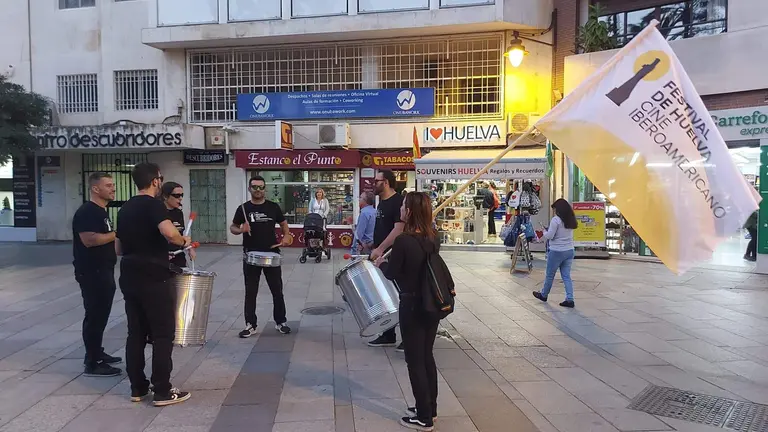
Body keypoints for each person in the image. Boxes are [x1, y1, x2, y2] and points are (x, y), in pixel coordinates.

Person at [116, 162, 192, 407]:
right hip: (153, 275)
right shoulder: (154, 206)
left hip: (129, 273)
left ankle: (137, 388)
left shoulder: (125, 208)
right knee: (162, 334)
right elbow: (170, 233)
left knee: (135, 333)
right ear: (156, 181)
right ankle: (162, 390)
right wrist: (183, 240)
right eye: (161, 179)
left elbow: (118, 247)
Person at [377, 192, 439, 431]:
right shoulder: (433, 237)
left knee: (415, 361)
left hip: (411, 305)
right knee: (427, 356)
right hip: (431, 304)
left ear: (409, 211)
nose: (401, 209)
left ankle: (423, 418)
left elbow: (393, 273)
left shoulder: (403, 241)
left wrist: (381, 263)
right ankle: (429, 407)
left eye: (403, 206)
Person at [72, 172, 122, 377]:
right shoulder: (87, 212)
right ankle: (92, 362)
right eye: (108, 185)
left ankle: (96, 352)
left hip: (105, 269)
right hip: (92, 271)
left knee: (101, 315)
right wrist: (118, 233)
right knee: (94, 316)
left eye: (113, 185)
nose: (113, 188)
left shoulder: (101, 211)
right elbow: (90, 240)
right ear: (95, 189)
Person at [231, 175, 293, 338]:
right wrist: (241, 230)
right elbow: (233, 227)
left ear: (265, 189)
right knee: (251, 291)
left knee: (277, 290)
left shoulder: (273, 207)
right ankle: (250, 324)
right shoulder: (243, 209)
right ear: (250, 189)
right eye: (254, 187)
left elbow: (284, 225)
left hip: (271, 253)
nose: (258, 190)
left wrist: (286, 236)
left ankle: (281, 321)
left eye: (261, 187)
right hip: (250, 255)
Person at [368, 170, 405, 350]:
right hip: (381, 255)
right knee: (385, 296)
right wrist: (372, 244)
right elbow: (384, 227)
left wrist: (381, 248)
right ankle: (388, 334)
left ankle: (408, 336)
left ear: (387, 183)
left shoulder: (397, 202)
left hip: (394, 255)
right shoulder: (382, 202)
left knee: (401, 296)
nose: (374, 183)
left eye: (377, 181)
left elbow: (399, 229)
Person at [532, 198, 577, 308]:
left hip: (557, 251)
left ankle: (544, 294)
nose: (554, 211)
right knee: (566, 276)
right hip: (569, 250)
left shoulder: (556, 220)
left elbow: (550, 236)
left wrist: (543, 231)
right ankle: (570, 299)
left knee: (550, 275)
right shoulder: (570, 219)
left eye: (555, 209)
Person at [161, 182, 196, 268]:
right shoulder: (159, 212)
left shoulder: (178, 213)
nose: (180, 198)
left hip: (178, 254)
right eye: (176, 195)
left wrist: (190, 248)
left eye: (182, 195)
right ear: (165, 196)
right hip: (162, 257)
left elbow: (181, 235)